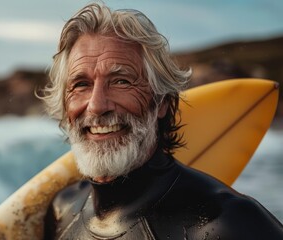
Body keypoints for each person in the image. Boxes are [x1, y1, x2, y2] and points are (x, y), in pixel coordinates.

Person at [40, 3, 283, 240]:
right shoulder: (62, 211)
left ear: (162, 102)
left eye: (121, 81)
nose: (96, 105)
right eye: (81, 84)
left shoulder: (227, 224)